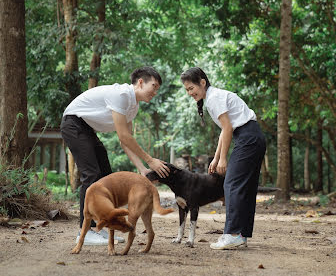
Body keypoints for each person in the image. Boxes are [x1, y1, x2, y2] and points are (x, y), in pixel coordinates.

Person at [61, 66, 170, 245]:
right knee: (92, 175)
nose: (155, 92)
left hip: (86, 129)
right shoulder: (121, 95)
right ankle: (85, 231)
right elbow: (123, 136)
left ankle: (98, 229)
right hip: (73, 124)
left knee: (105, 177)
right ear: (141, 83)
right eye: (154, 86)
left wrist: (142, 168)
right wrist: (150, 160)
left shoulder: (133, 107)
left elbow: (125, 142)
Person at [180, 67, 266, 250]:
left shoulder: (214, 98)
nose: (190, 93)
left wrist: (223, 159)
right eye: (187, 90)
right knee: (245, 186)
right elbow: (224, 130)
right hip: (251, 137)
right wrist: (216, 157)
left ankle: (233, 234)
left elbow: (228, 128)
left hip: (248, 138)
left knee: (232, 184)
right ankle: (240, 234)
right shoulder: (213, 97)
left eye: (191, 88)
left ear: (202, 82)